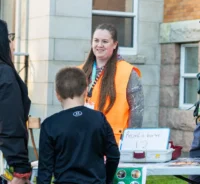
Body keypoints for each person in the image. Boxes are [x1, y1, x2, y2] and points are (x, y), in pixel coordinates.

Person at [37, 67, 120, 184]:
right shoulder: (99, 119)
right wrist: (107, 180)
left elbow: (45, 171)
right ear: (86, 91)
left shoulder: (50, 124)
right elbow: (114, 155)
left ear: (57, 95)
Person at [80, 23, 144, 144]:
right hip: (83, 141)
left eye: (105, 41)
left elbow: (137, 111)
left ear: (114, 44)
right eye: (96, 40)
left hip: (114, 143)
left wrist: (130, 143)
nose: (99, 45)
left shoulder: (128, 72)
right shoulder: (80, 71)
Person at [0, 20, 31, 184]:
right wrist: (21, 170)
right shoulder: (4, 74)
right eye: (9, 37)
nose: (12, 42)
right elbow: (10, 124)